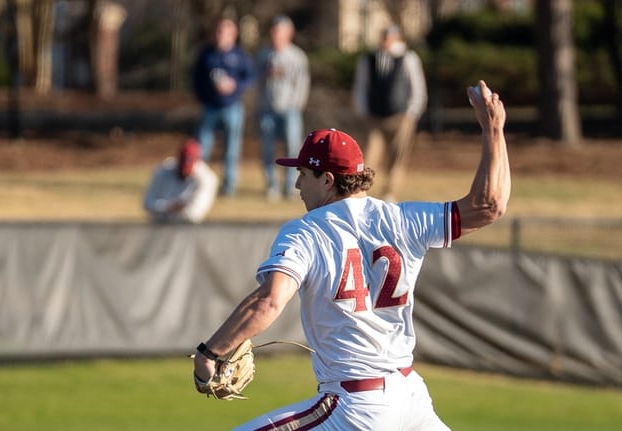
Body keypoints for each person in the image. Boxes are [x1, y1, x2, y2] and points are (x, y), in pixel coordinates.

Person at [192, 80, 510, 430]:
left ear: (327, 180)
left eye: (303, 173)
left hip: (356, 406)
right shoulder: (403, 218)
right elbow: (489, 206)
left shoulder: (307, 230)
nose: (297, 184)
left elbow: (269, 301)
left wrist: (211, 352)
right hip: (411, 398)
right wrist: (493, 129)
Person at [352, 24, 428, 203]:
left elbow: (417, 86)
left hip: (401, 116)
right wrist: (362, 109)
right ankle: (362, 191)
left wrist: (412, 111)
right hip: (375, 116)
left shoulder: (408, 57)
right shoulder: (369, 59)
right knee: (369, 155)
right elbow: (361, 86)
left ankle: (390, 191)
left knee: (397, 157)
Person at [192, 16, 255, 196]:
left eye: (224, 32)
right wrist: (204, 96)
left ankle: (229, 186)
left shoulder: (240, 55)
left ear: (233, 34)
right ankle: (197, 183)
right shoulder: (206, 54)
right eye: (218, 31)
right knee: (202, 147)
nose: (220, 35)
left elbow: (250, 78)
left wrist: (235, 86)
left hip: (232, 108)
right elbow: (196, 79)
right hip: (210, 108)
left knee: (231, 149)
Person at [255, 14, 310, 201]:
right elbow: (256, 81)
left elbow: (302, 83)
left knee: (293, 149)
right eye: (273, 30)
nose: (275, 34)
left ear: (288, 33)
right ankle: (272, 185)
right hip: (266, 109)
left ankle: (290, 186)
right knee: (267, 149)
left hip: (290, 110)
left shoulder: (297, 56)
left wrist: (296, 104)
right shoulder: (263, 55)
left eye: (279, 31)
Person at [143, 139, 218, 224]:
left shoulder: (207, 178)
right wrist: (168, 206)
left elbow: (195, 214)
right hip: (159, 224)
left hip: (188, 227)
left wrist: (172, 209)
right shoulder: (164, 170)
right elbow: (147, 203)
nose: (184, 173)